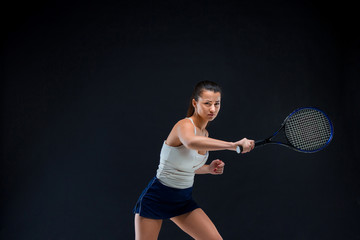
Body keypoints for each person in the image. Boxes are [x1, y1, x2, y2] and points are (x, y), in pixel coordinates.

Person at [133, 81, 255, 240]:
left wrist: (208, 168)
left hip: (182, 200)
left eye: (217, 104)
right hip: (158, 197)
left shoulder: (205, 135)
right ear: (194, 103)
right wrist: (233, 145)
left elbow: (186, 166)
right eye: (207, 103)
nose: (213, 109)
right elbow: (190, 142)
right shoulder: (184, 125)